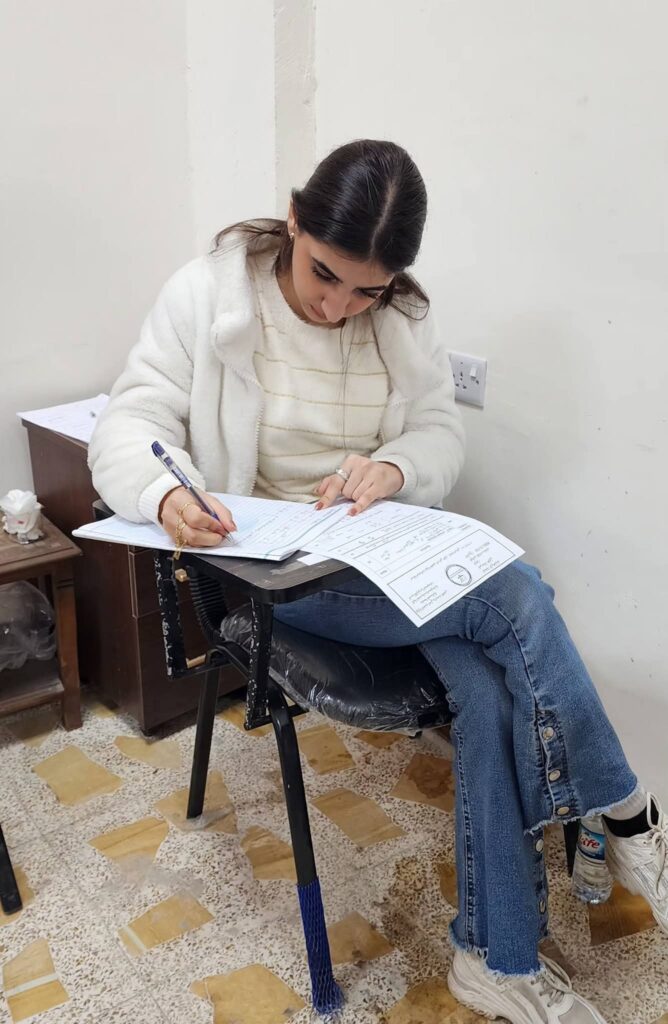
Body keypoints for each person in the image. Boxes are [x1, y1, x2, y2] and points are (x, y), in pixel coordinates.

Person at [89, 139, 666, 1023]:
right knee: (515, 592)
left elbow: (438, 434)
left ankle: (496, 962)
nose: (338, 306)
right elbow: (128, 424)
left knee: (489, 681)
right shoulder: (207, 296)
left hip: (383, 552)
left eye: (367, 290)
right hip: (277, 571)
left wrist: (394, 469)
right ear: (295, 220)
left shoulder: (402, 316)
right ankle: (622, 809)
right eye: (325, 275)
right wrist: (165, 493)